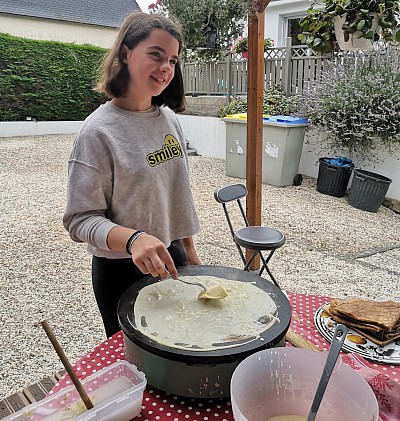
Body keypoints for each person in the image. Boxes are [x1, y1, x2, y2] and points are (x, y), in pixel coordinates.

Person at [63, 12, 201, 338]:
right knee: (137, 365)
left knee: (185, 345)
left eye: (172, 59)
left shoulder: (170, 121)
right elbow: (80, 220)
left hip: (172, 257)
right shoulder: (97, 132)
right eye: (156, 54)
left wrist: (191, 254)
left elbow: (177, 195)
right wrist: (134, 239)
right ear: (125, 53)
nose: (166, 67)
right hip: (121, 271)